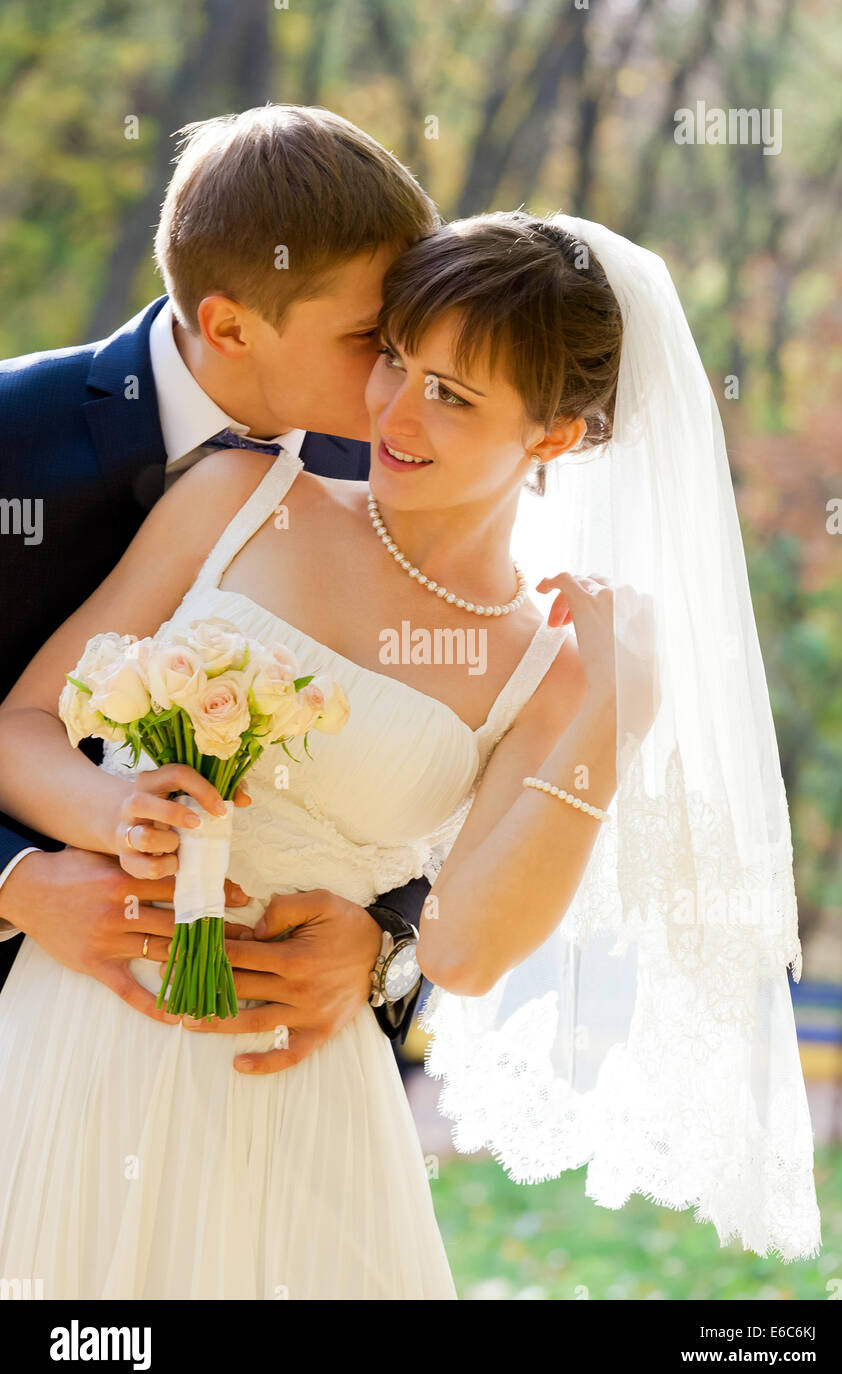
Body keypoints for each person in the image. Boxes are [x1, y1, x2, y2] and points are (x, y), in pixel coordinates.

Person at [0, 204, 632, 1297]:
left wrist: (624, 710)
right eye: (396, 358)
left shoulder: (552, 672)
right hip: (78, 1027)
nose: (396, 408)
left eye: (454, 394)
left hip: (287, 1082)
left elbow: (467, 952)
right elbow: (21, 725)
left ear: (552, 436)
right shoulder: (245, 495)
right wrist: (118, 815)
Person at [0, 106, 440, 1066]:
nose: (400, 371)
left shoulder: (397, 479)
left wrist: (387, 946)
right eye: (371, 336)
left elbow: (446, 748)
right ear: (229, 325)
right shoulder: (11, 436)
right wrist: (15, 884)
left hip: (274, 1067)